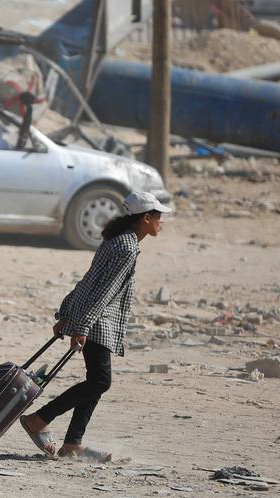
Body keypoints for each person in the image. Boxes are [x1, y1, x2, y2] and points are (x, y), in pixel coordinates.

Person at [19, 191, 169, 460]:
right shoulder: (127, 246)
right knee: (100, 381)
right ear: (146, 218)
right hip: (98, 321)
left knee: (96, 382)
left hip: (91, 317)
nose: (162, 222)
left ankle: (72, 443)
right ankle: (39, 419)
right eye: (158, 216)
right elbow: (104, 291)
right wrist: (82, 326)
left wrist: (67, 312)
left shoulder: (117, 240)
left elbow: (89, 281)